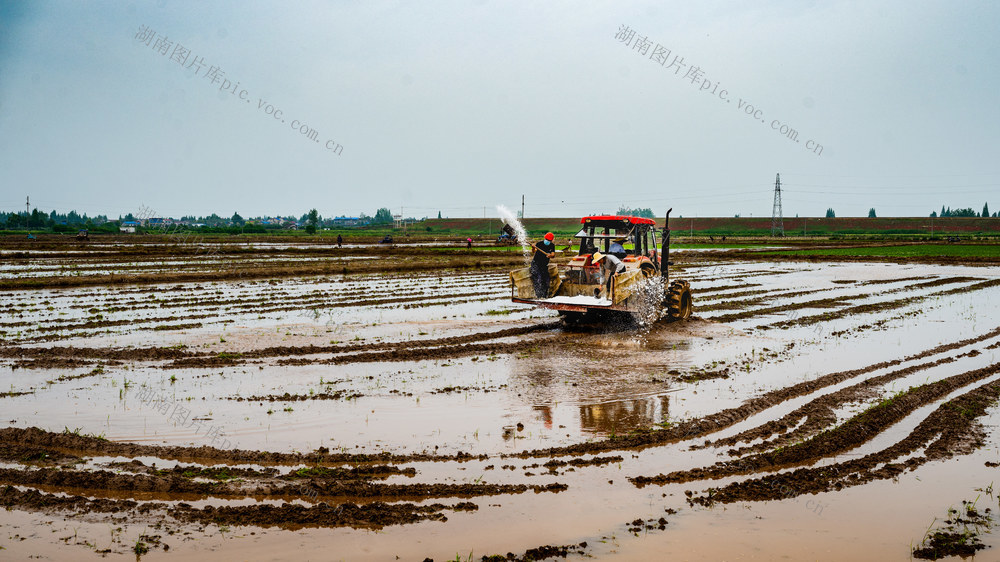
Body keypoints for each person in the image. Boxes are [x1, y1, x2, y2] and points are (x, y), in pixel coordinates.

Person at [530, 232, 556, 298]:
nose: (548, 241)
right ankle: (538, 296)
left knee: (546, 280)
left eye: (549, 240)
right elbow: (533, 251)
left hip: (544, 265)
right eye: (547, 240)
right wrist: (533, 248)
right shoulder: (539, 244)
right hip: (536, 264)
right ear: (545, 238)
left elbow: (553, 255)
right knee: (538, 279)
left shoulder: (552, 245)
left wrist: (550, 255)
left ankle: (544, 296)